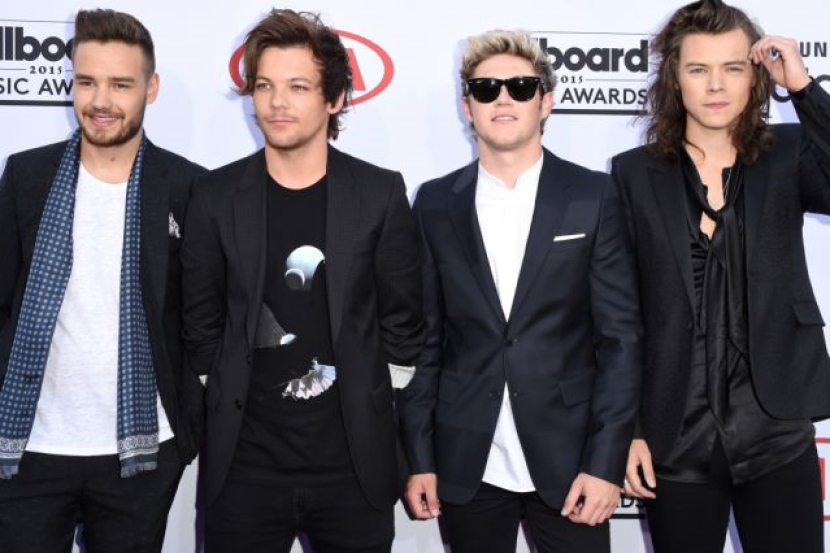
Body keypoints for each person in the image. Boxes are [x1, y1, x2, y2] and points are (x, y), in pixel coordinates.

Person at [180, 9, 424, 553]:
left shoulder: (379, 194)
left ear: (334, 99)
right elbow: (200, 320)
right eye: (264, 85)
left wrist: (374, 399)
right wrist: (219, 385)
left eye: (297, 86)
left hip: (353, 471)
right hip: (244, 471)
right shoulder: (215, 196)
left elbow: (403, 319)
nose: (276, 102)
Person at [399, 29, 642, 553]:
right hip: (467, 459)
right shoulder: (435, 203)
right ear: (467, 106)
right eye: (485, 89)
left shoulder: (594, 195)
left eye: (521, 87)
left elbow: (620, 340)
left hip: (573, 463)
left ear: (545, 101)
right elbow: (424, 342)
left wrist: (605, 463)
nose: (503, 99)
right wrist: (419, 458)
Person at [612, 1, 830, 551]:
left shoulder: (787, 154)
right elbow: (620, 314)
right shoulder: (633, 174)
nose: (715, 85)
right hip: (674, 434)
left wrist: (802, 88)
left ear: (754, 76)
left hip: (775, 427)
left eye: (732, 67)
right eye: (698, 69)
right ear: (674, 77)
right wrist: (629, 430)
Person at [0, 9, 205, 553]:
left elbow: (201, 320)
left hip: (143, 451)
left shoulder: (189, 187)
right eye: (87, 82)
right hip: (27, 446)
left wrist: (185, 437)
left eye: (120, 84)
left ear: (150, 89)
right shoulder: (26, 175)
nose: (100, 101)